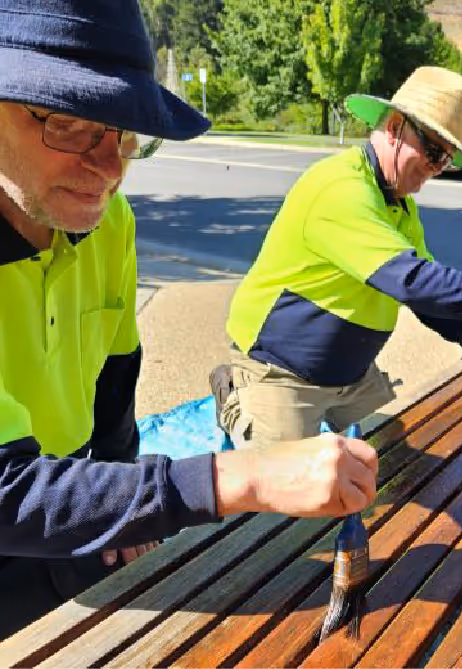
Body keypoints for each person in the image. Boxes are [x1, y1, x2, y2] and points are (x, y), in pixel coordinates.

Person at [0, 0, 378, 641]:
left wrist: (129, 512)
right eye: (70, 123)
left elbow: (114, 392)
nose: (110, 168)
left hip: (61, 511)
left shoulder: (109, 222)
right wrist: (242, 476)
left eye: (124, 132)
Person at [216, 66, 462, 449]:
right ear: (394, 126)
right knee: (281, 498)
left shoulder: (399, 204)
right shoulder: (340, 188)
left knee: (384, 465)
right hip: (280, 371)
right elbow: (412, 281)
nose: (436, 168)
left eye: (447, 158)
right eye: (434, 150)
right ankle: (235, 395)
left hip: (346, 377)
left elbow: (425, 289)